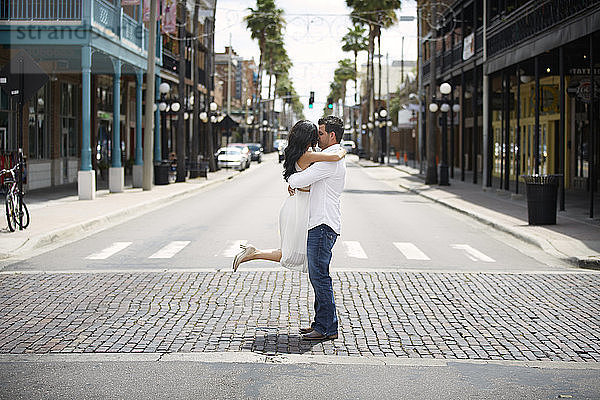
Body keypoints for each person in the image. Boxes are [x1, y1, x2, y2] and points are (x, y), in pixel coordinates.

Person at [231, 120, 346, 273]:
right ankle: (254, 254)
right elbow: (333, 158)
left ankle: (254, 253)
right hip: (301, 208)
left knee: (294, 252)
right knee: (296, 254)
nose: (318, 138)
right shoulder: (310, 155)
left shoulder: (299, 154)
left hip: (295, 205)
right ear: (309, 138)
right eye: (316, 135)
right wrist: (342, 152)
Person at [287, 115, 346, 341]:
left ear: (331, 135)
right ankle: (320, 323)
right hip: (322, 222)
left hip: (323, 224)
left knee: (320, 277)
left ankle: (327, 327)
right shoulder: (330, 157)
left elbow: (299, 180)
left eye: (320, 133)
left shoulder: (330, 158)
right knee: (318, 276)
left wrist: (293, 183)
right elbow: (310, 184)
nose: (316, 137)